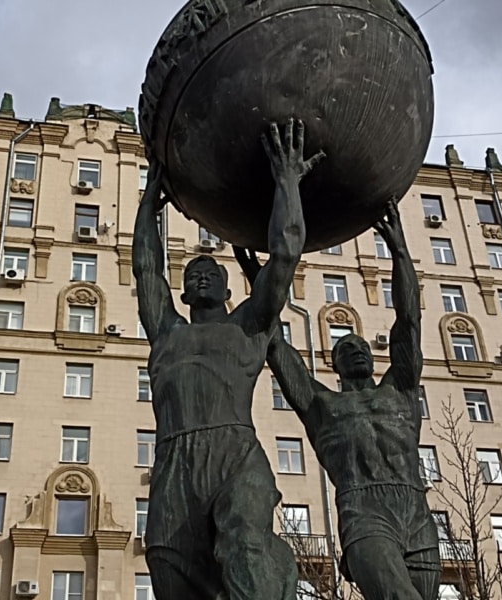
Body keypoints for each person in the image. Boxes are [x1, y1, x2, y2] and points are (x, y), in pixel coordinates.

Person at [133, 120, 325, 599]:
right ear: (182, 289)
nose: (201, 276)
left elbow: (283, 256)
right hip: (174, 461)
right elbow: (145, 267)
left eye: (211, 271)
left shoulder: (249, 324)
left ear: (227, 287)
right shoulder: (166, 330)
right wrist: (147, 201)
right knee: (168, 569)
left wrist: (286, 181)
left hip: (235, 453)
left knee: (246, 546)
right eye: (193, 272)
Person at [236, 199, 440, 600]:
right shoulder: (322, 406)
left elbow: (408, 320)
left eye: (361, 345)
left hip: (417, 512)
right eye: (346, 348)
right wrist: (261, 280)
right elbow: (277, 348)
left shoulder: (400, 389)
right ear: (334, 364)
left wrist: (399, 253)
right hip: (364, 514)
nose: (357, 350)